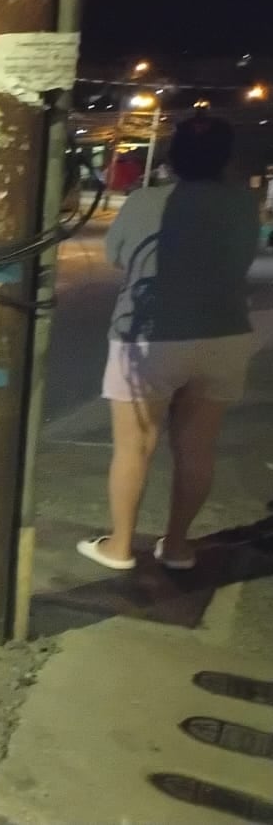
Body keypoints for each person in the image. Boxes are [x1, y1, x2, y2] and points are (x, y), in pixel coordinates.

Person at [78, 115, 263, 571]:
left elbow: (118, 255)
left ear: (173, 156)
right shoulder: (244, 203)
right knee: (198, 446)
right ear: (225, 158)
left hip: (148, 337)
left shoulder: (146, 201)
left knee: (134, 446)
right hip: (224, 334)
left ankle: (119, 547)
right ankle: (178, 546)